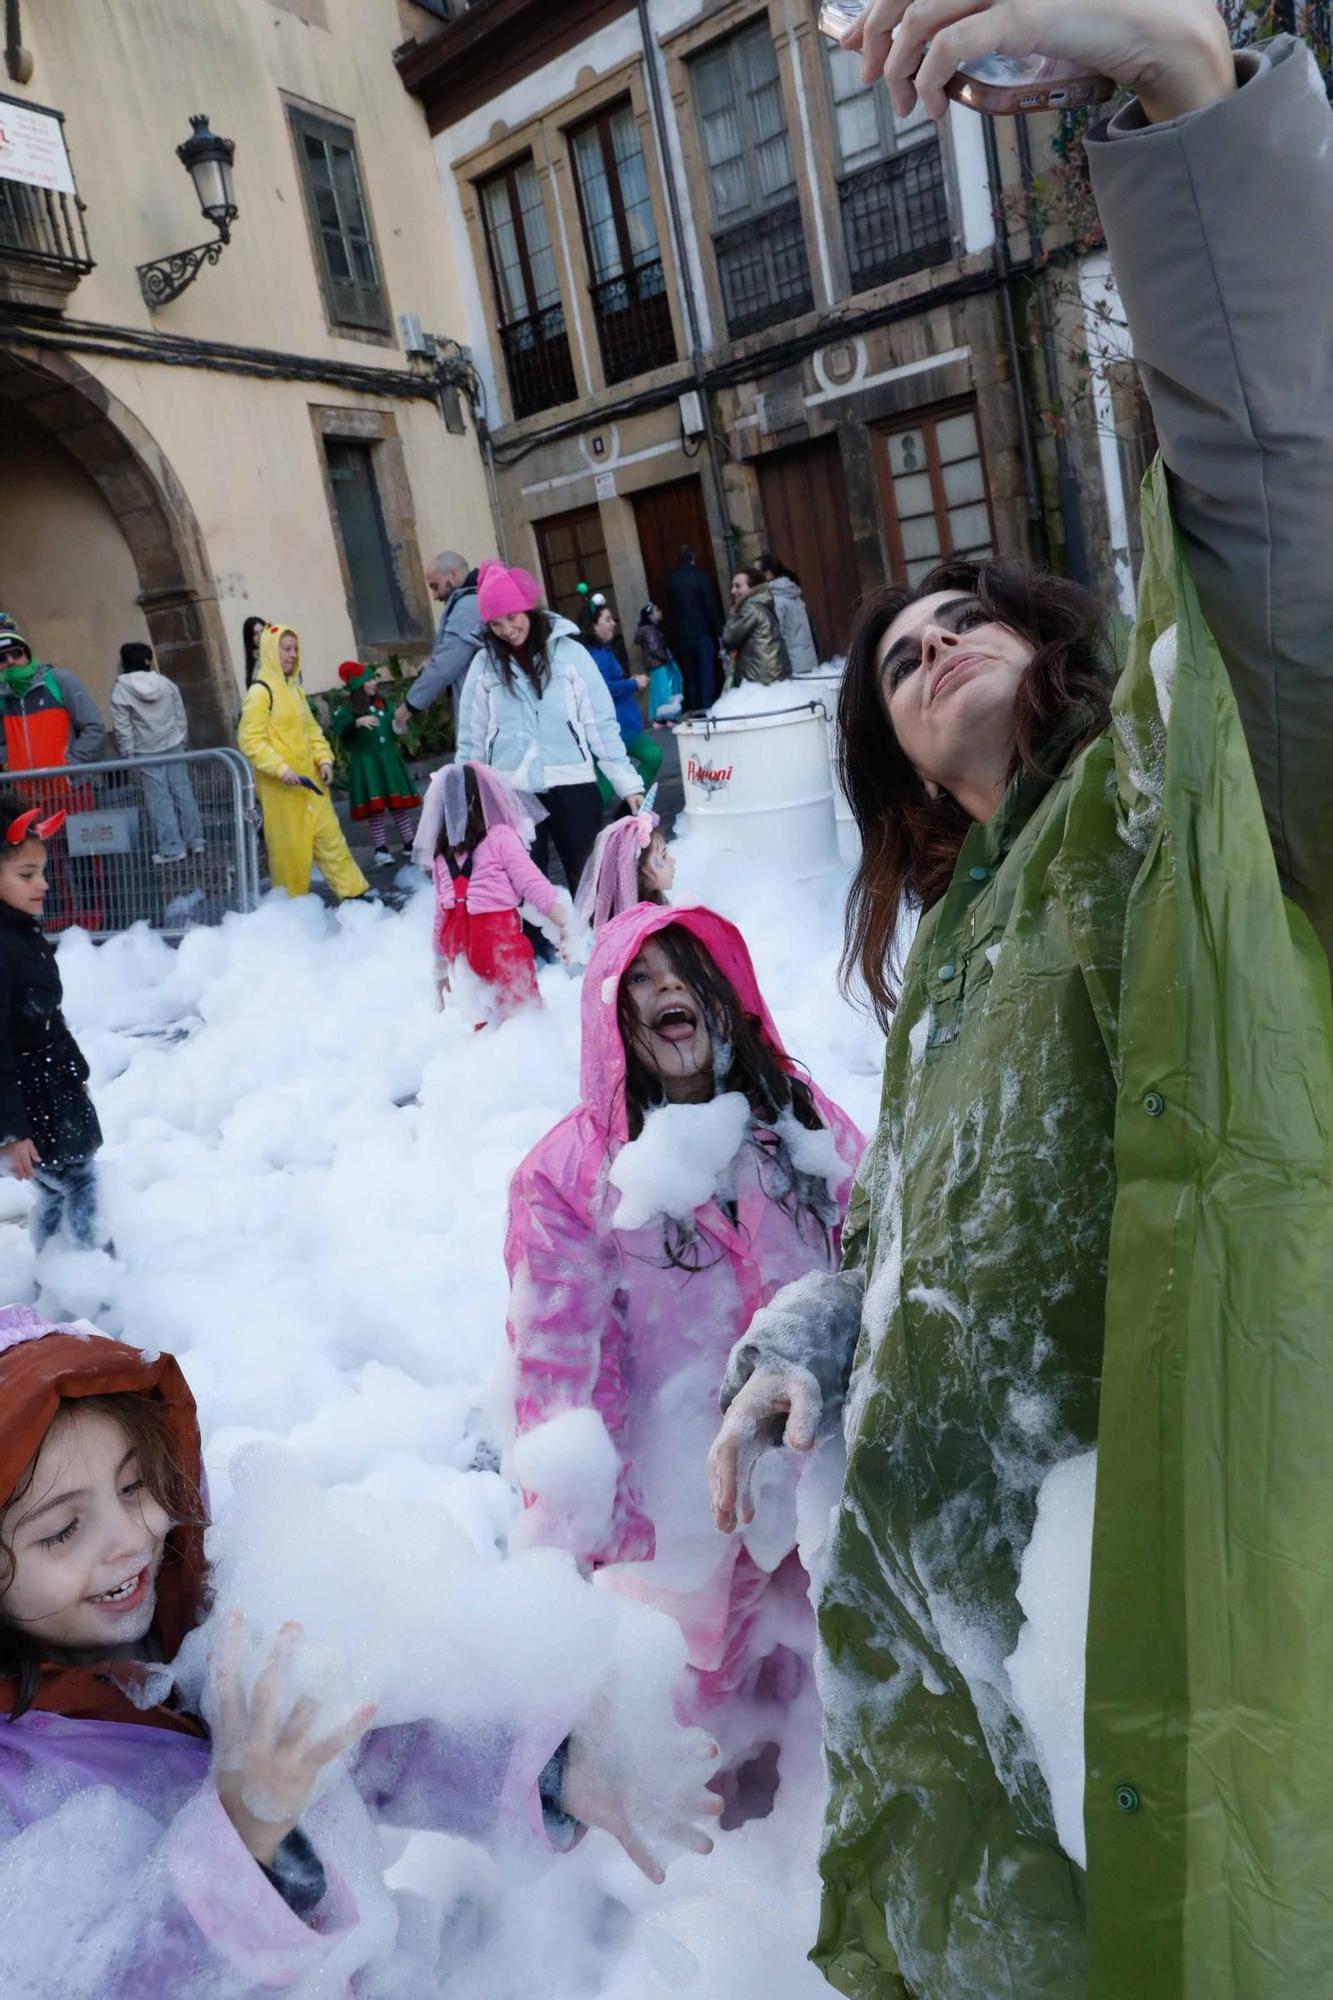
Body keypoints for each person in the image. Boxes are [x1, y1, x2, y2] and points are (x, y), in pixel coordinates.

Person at [707, 8, 1333, 1997]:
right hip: (985, 1652)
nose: (938, 635)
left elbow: (1288, 560)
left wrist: (1179, 99)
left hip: (1188, 1565)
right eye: (899, 653)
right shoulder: (958, 935)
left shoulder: (1175, 784)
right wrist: (812, 1329)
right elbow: (915, 1218)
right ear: (897, 775)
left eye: (969, 608)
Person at [0, 1306, 723, 1996]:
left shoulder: (201, 1631)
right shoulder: (18, 1791)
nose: (128, 1537)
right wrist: (244, 1839)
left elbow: (362, 1745)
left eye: (134, 1484)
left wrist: (547, 1769)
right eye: (61, 1531)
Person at [505, 907, 864, 1823]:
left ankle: (801, 1869)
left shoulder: (799, 1129)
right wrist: (564, 1551)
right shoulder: (571, 1175)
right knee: (696, 1720)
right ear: (611, 1016)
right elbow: (559, 1373)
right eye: (638, 976)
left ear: (727, 997)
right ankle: (707, 1904)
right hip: (678, 1517)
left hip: (814, 1479)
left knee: (821, 1695)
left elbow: (877, 1250)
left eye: (686, 969)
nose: (665, 988)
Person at [455, 564, 642, 912]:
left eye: (512, 617)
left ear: (527, 608)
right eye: (495, 624)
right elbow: (471, 738)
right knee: (523, 882)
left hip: (572, 781)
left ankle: (603, 948)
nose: (507, 630)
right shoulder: (484, 665)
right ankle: (536, 957)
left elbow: (600, 723)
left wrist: (627, 783)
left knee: (589, 875)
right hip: (513, 790)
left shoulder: (570, 654)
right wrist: (464, 800)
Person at [0, 793, 105, 1253]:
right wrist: (11, 1131)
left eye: (42, 872)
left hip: (52, 1086)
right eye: (26, 875)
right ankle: (94, 1280)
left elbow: (49, 1017)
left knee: (55, 1189)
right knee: (80, 1185)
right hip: (28, 1096)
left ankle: (58, 1275)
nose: (42, 884)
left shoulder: (24, 934)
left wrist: (76, 1071)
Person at [420, 761, 572, 1022]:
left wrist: (440, 969)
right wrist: (566, 926)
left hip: (457, 947)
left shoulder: (440, 853)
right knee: (524, 1013)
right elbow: (533, 885)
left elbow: (439, 914)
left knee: (482, 1018)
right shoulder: (500, 837)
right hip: (496, 939)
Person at [237, 624, 369, 903]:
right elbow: (250, 740)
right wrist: (281, 769)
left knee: (332, 842)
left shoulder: (295, 692)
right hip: (282, 792)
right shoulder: (260, 693)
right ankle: (291, 912)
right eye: (286, 649)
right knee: (290, 854)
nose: (293, 655)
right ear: (272, 652)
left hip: (311, 785)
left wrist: (324, 759)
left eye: (295, 649)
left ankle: (355, 896)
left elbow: (312, 731)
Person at [0, 623, 106, 932]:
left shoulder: (59, 681)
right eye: (2, 658)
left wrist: (70, 766)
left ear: (26, 655)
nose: (9, 663)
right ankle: (57, 919)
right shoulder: (3, 698)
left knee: (83, 855)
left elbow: (93, 727)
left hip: (69, 790)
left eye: (15, 654)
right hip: (27, 798)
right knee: (44, 863)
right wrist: (10, 763)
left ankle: (93, 919)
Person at [109, 642, 204, 868]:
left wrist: (128, 754)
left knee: (158, 799)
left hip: (145, 750)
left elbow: (122, 726)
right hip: (172, 743)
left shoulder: (120, 689)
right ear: (149, 660)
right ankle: (196, 840)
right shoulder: (166, 683)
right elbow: (180, 713)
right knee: (183, 791)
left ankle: (172, 847)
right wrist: (182, 737)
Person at [329, 661, 420, 869]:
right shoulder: (348, 710)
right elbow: (341, 730)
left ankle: (409, 842)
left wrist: (399, 724)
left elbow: (394, 729)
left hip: (388, 761)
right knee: (376, 809)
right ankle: (380, 848)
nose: (373, 683)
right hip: (367, 764)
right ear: (358, 684)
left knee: (398, 806)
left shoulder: (384, 705)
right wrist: (357, 723)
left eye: (373, 678)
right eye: (368, 679)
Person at [579, 601, 664, 806]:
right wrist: (633, 683)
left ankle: (628, 805)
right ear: (594, 626)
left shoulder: (600, 652)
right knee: (647, 759)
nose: (613, 623)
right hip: (618, 726)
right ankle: (628, 806)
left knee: (610, 779)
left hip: (620, 725)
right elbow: (603, 688)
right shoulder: (598, 655)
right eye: (607, 619)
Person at [395, 551, 484, 736]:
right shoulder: (479, 598)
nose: (435, 596)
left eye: (435, 586)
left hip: (481, 710)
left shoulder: (467, 606)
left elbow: (445, 665)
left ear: (453, 574)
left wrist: (409, 707)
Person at [574, 807, 676, 932]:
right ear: (637, 872)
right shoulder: (641, 931)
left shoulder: (654, 905)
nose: (673, 861)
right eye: (663, 856)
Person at [665, 546, 724, 714]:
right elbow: (709, 605)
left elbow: (671, 609)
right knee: (705, 671)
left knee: (689, 674)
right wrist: (719, 629)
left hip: (682, 636)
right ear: (693, 558)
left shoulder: (672, 580)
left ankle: (693, 707)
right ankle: (706, 707)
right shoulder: (700, 576)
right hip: (701, 632)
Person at [721, 569, 791, 688]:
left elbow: (728, 638)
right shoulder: (761, 604)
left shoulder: (750, 609)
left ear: (752, 588)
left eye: (738, 586)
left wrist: (733, 614)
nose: (733, 591)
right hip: (770, 672)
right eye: (732, 586)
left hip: (760, 677)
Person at [759, 551, 820, 677]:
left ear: (768, 574)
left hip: (792, 665)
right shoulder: (791, 592)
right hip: (807, 659)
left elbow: (776, 635)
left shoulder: (776, 598)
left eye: (757, 572)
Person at [634, 603, 683, 723]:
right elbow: (654, 648)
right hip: (658, 664)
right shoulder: (650, 631)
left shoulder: (645, 630)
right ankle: (667, 716)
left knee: (658, 691)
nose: (660, 612)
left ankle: (660, 718)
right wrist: (666, 657)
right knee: (665, 690)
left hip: (653, 665)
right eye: (656, 610)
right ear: (650, 615)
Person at [241, 614, 266, 690]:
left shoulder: (278, 654)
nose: (260, 636)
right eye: (256, 633)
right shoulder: (254, 663)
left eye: (262, 631)